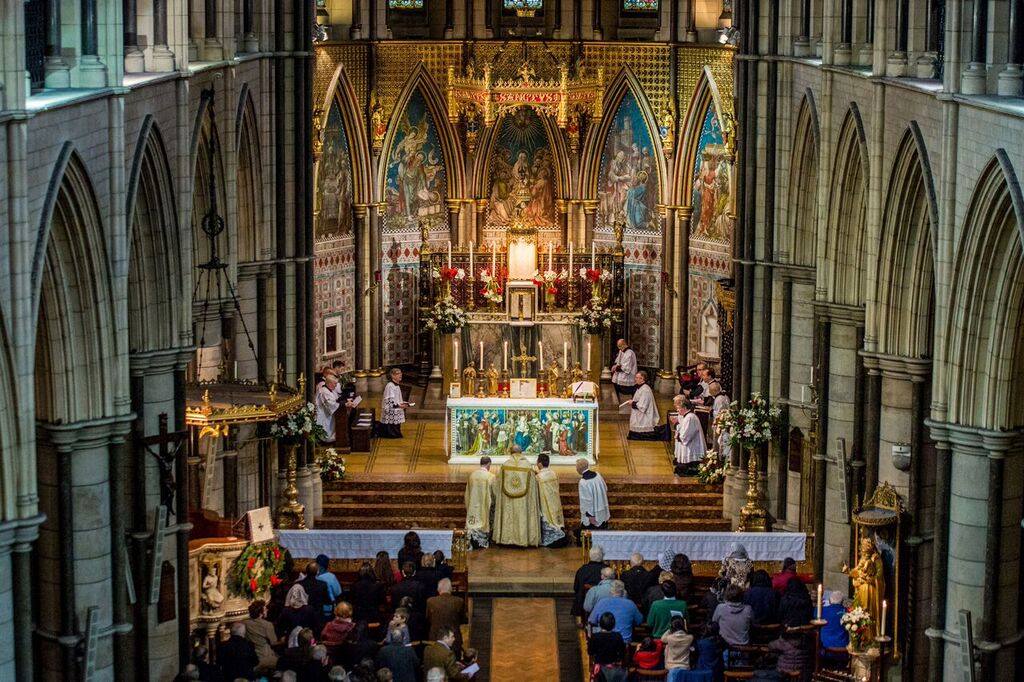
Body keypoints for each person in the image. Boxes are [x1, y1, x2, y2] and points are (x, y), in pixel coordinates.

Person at [491, 445, 541, 547]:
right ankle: (523, 539)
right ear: (521, 452)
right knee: (522, 516)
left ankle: (506, 539)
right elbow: (533, 486)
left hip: (507, 501)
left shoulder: (505, 465)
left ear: (510, 452)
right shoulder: (527, 466)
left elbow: (497, 484)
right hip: (523, 501)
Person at [464, 456, 497, 548]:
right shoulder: (491, 476)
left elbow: (467, 493)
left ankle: (471, 539)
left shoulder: (472, 475)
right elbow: (494, 493)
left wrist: (468, 505)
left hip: (472, 506)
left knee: (473, 521)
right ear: (489, 464)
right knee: (485, 520)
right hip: (484, 506)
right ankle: (481, 541)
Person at [535, 454, 567, 547]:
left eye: (537, 462)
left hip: (546, 503)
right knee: (556, 519)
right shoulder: (553, 473)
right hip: (555, 501)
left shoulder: (539, 477)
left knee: (548, 519)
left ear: (540, 463)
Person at [426, 578, 466, 651]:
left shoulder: (430, 601)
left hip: (435, 637)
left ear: (438, 589)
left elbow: (428, 619)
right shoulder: (459, 601)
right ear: (451, 589)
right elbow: (463, 619)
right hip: (453, 637)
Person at [576, 458, 610, 541]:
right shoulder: (598, 475)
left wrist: (590, 516)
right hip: (601, 507)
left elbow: (586, 501)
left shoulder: (583, 482)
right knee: (602, 526)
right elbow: (605, 488)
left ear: (578, 469)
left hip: (592, 515)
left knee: (585, 533)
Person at [243, 600, 280, 672]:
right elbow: (274, 643)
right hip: (265, 657)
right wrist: (282, 641)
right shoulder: (267, 625)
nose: (267, 610)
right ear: (261, 613)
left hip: (252, 657)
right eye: (265, 609)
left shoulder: (245, 623)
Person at [573, 544, 609, 617]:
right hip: (604, 605)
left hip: (584, 604)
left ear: (590, 556)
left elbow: (576, 588)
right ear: (602, 556)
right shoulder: (607, 570)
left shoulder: (582, 570)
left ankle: (581, 618)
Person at [672, 396, 706, 473]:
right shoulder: (687, 416)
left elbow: (686, 435)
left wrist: (678, 435)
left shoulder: (690, 417)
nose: (677, 410)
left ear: (684, 407)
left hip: (693, 447)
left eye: (678, 408)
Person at [626, 371, 662, 440]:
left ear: (642, 379)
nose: (635, 379)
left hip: (645, 415)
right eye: (636, 377)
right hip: (638, 413)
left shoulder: (645, 390)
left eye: (637, 378)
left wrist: (632, 403)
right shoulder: (640, 387)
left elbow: (642, 406)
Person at [377, 367, 410, 438]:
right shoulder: (390, 386)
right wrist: (400, 406)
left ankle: (396, 433)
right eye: (398, 373)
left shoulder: (396, 385)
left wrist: (403, 403)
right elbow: (390, 401)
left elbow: (397, 399)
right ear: (392, 376)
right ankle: (392, 433)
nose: (400, 375)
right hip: (390, 409)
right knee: (394, 414)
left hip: (396, 406)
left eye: (400, 373)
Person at [298, 561, 332, 629]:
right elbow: (327, 600)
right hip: (318, 616)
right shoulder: (322, 584)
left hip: (302, 615)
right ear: (317, 572)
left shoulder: (299, 584)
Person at [316, 373, 342, 442]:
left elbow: (336, 399)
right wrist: (344, 404)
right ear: (329, 383)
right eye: (334, 384)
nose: (336, 386)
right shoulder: (324, 391)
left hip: (328, 413)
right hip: (324, 415)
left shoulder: (329, 389)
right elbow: (331, 404)